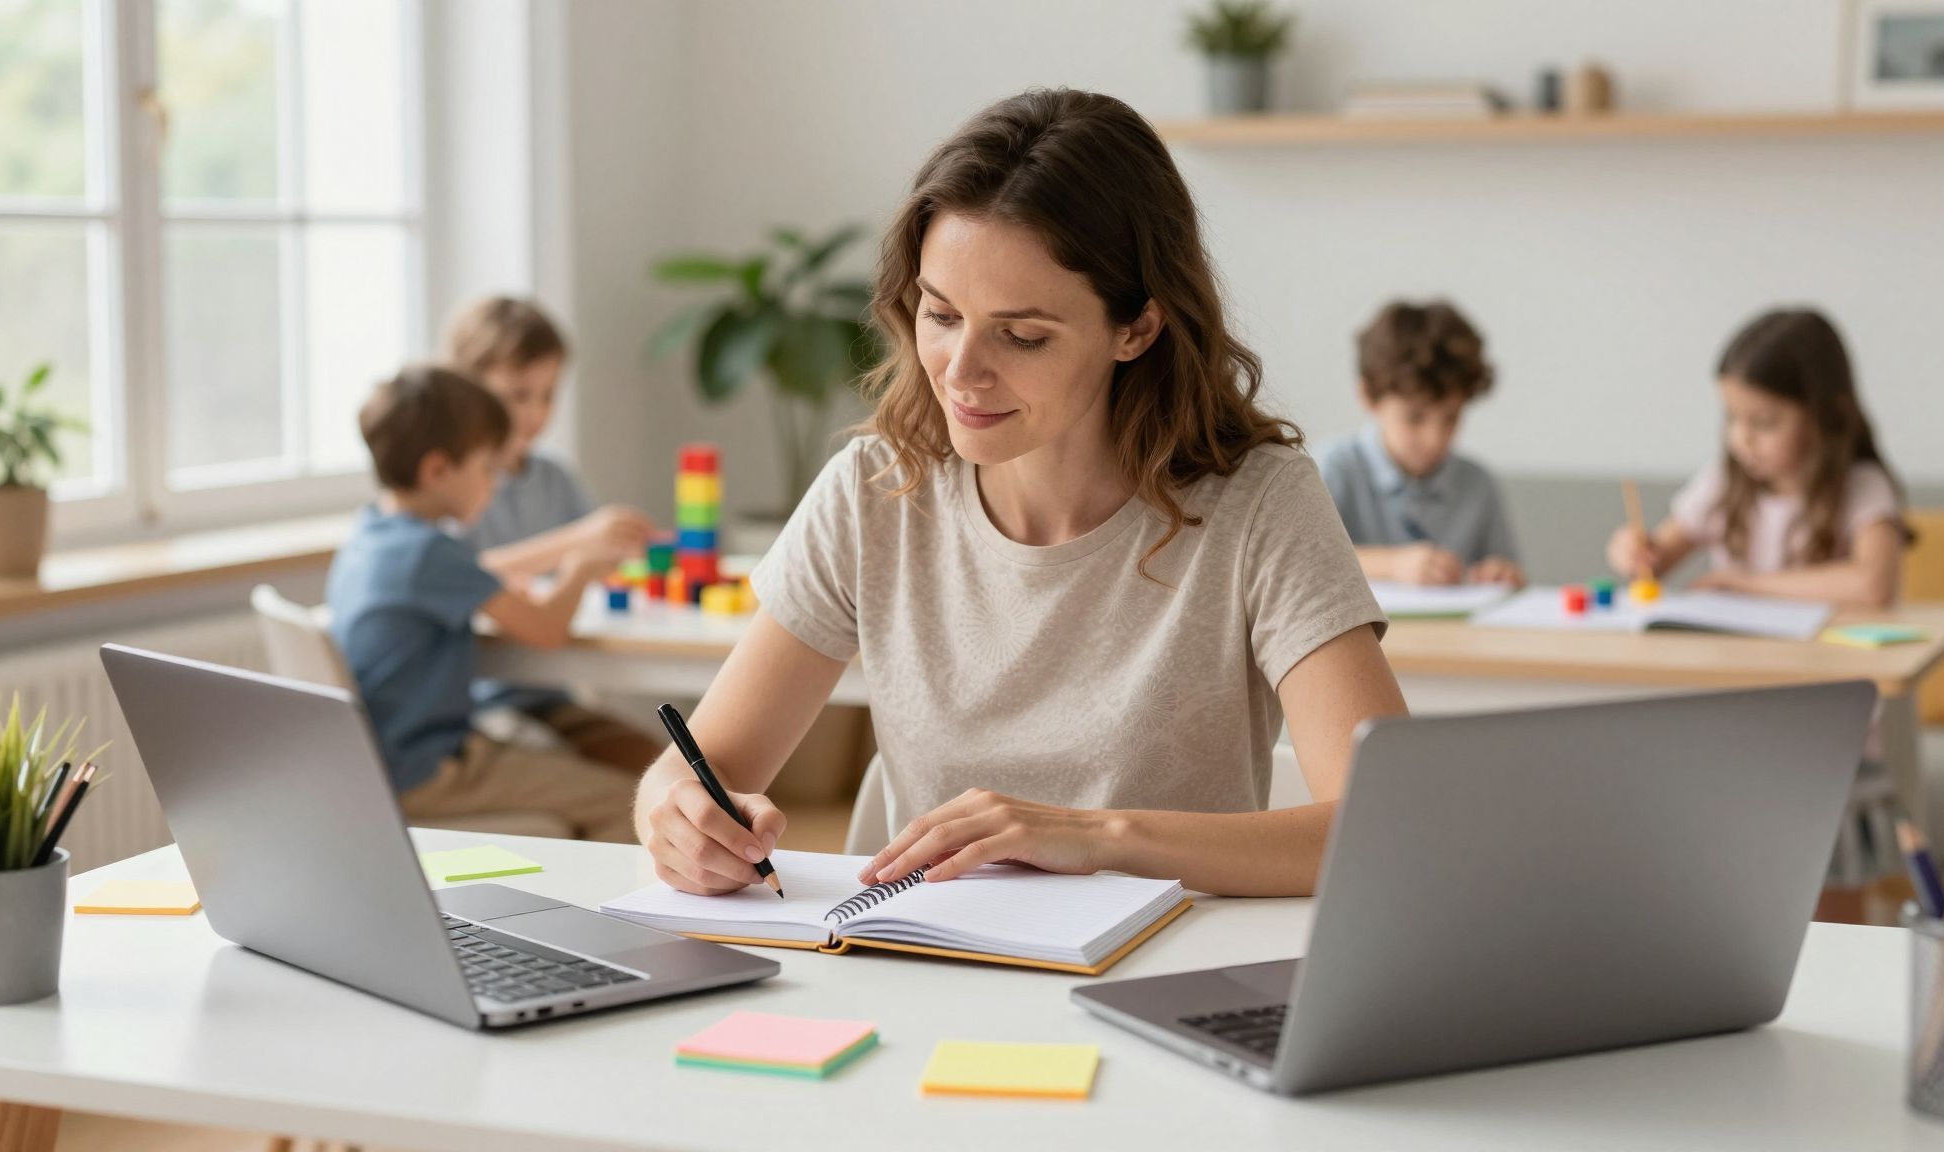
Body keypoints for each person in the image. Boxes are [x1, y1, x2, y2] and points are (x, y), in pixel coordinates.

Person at [631, 88, 1408, 899]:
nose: (961, 371)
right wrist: (679, 819)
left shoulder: (1260, 505)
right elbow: (693, 770)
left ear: (1137, 329)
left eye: (1022, 335)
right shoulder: (874, 493)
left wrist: (1099, 838)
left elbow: (1389, 827)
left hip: (1168, 965)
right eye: (941, 314)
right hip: (928, 958)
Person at [327, 365, 635, 841]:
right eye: (487, 468)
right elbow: (547, 630)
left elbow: (474, 583)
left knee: (582, 770)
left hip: (384, 764)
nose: (494, 484)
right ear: (437, 470)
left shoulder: (370, 535)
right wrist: (579, 570)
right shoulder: (429, 552)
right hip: (429, 770)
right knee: (627, 802)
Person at [446, 296, 662, 772]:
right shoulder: (451, 484)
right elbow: (451, 571)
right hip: (482, 708)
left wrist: (618, 548)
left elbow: (600, 560)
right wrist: (575, 541)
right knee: (587, 779)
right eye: (518, 395)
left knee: (665, 771)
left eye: (548, 396)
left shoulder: (553, 475)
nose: (536, 413)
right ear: (468, 390)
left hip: (550, 698)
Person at [1608, 308, 1910, 606]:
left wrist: (1741, 584)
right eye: (1731, 417)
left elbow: (1873, 586)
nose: (1742, 438)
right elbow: (1655, 562)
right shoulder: (1723, 483)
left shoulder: (1862, 487)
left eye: (1763, 422)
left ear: (1823, 417)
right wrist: (1635, 553)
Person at [1315, 300, 1522, 587]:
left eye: (1450, 417)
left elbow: (1510, 574)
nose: (1434, 439)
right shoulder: (1332, 468)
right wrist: (1392, 565)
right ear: (1368, 397)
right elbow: (1306, 560)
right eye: (1414, 418)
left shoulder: (1478, 484)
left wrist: (1500, 574)